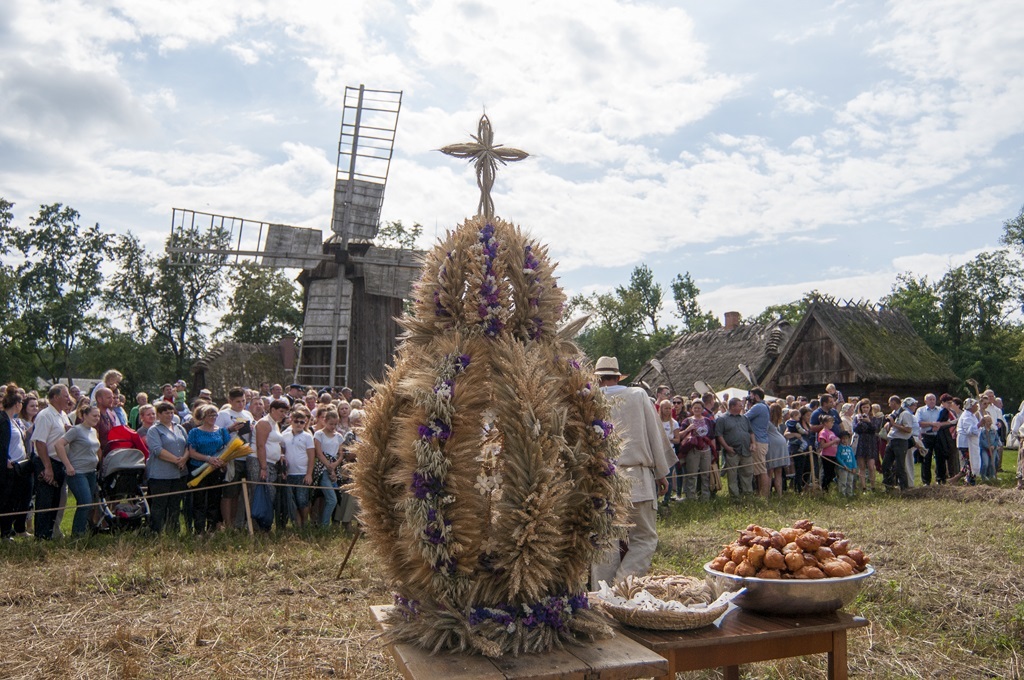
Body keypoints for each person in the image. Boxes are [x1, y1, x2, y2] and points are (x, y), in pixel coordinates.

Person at [590, 356, 674, 586]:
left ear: (597, 379)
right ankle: (621, 587)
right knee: (644, 538)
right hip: (637, 476)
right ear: (618, 377)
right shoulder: (638, 396)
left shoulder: (588, 399)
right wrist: (661, 472)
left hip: (601, 479)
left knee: (605, 540)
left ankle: (602, 594)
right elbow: (654, 434)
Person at [53, 402, 102, 537]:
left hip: (91, 472)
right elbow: (59, 445)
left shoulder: (94, 431)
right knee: (85, 502)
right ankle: (77, 534)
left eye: (98, 416)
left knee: (89, 503)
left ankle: (83, 530)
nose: (97, 418)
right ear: (84, 415)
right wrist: (68, 465)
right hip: (78, 472)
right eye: (94, 415)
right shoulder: (76, 430)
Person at [30, 384, 72, 540]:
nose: (68, 399)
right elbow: (40, 442)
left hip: (59, 463)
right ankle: (41, 536)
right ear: (55, 397)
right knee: (45, 500)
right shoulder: (45, 415)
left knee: (55, 501)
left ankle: (50, 532)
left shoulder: (63, 415)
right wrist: (47, 467)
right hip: (46, 461)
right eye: (65, 396)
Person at [215, 387, 255, 530]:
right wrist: (230, 429)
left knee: (239, 493)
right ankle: (227, 523)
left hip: (246, 456)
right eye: (238, 401)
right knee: (229, 492)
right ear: (230, 401)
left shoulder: (248, 414)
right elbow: (216, 434)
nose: (241, 404)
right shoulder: (223, 414)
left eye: (243, 401)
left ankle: (236, 522)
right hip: (230, 457)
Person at [146, 402, 189, 534]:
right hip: (161, 474)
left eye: (171, 412)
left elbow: (188, 446)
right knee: (159, 505)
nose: (170, 415)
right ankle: (156, 532)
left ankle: (173, 532)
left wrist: (184, 459)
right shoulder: (154, 430)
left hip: (179, 474)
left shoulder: (179, 428)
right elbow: (157, 450)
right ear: (159, 414)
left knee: (175, 505)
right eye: (166, 413)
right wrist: (176, 460)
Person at [186, 404, 229, 533]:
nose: (213, 418)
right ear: (203, 417)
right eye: (210, 415)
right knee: (199, 500)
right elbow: (192, 453)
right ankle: (199, 530)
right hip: (198, 469)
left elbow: (227, 448)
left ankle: (211, 529)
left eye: (215, 415)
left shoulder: (222, 431)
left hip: (216, 470)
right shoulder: (195, 432)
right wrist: (208, 459)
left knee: (214, 500)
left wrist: (222, 461)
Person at [252, 399, 289, 531]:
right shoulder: (264, 423)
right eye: (281, 411)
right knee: (261, 494)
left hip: (272, 463)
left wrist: (280, 455)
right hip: (260, 462)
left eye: (285, 412)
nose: (283, 415)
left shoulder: (275, 424)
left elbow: (274, 443)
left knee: (270, 494)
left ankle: (265, 526)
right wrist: (263, 467)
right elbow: (260, 446)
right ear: (272, 410)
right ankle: (257, 527)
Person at [1, 384, 33, 538]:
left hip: (21, 465)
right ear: (17, 404)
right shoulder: (2, 420)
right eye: (21, 403)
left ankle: (17, 528)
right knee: (8, 500)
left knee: (22, 498)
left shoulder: (15, 421)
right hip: (9, 466)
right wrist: (5, 460)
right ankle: (5, 531)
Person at [282, 407, 315, 527]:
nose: (299, 424)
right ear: (291, 421)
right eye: (296, 421)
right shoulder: (284, 435)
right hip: (289, 473)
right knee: (292, 501)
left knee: (302, 500)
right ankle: (297, 525)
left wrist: (309, 474)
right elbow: (281, 451)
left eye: (302, 422)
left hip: (302, 473)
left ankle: (305, 523)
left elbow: (311, 456)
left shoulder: (308, 436)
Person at [313, 409, 346, 527]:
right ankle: (324, 525)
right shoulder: (319, 434)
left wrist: (335, 465)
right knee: (332, 499)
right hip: (322, 469)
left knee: (333, 498)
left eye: (335, 424)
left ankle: (325, 522)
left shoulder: (339, 436)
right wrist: (329, 466)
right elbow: (319, 453)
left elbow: (341, 454)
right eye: (331, 424)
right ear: (325, 421)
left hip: (334, 468)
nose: (333, 427)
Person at [676, 400, 715, 501]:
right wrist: (688, 429)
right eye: (695, 408)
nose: (697, 410)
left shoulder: (708, 421)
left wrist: (714, 451)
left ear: (702, 409)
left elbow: (712, 436)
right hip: (692, 450)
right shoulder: (687, 421)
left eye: (699, 408)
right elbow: (679, 435)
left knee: (705, 474)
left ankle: (705, 497)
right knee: (692, 474)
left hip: (706, 450)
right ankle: (691, 497)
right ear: (692, 409)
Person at [716, 398, 754, 496]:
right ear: (732, 406)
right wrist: (727, 447)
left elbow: (750, 432)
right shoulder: (722, 419)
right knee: (732, 475)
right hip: (732, 451)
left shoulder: (744, 418)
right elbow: (719, 435)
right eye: (740, 405)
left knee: (747, 473)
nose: (742, 407)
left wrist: (753, 443)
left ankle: (748, 493)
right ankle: (734, 496)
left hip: (746, 450)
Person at [810, 394, 842, 491]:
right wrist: (825, 425)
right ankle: (823, 488)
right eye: (830, 402)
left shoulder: (834, 412)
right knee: (824, 468)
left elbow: (840, 424)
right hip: (825, 446)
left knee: (833, 468)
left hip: (835, 444)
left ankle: (832, 486)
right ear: (824, 403)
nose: (833, 403)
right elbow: (812, 427)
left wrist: (843, 435)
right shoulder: (816, 413)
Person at [882, 396, 914, 491]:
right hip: (892, 440)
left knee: (900, 466)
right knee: (885, 465)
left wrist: (894, 424)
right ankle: (889, 486)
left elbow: (908, 429)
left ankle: (904, 489)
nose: (889, 405)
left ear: (894, 402)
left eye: (890, 403)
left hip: (901, 441)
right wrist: (888, 423)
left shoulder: (905, 414)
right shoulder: (894, 413)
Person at [744, 388, 771, 497]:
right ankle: (761, 493)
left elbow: (744, 418)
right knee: (759, 470)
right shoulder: (765, 406)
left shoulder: (758, 407)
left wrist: (744, 404)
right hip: (762, 440)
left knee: (761, 470)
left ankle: (764, 495)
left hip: (758, 441)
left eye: (751, 395)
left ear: (755, 396)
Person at [851, 399, 879, 492]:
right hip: (861, 443)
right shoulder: (856, 418)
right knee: (861, 466)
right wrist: (860, 422)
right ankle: (863, 487)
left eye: (867, 407)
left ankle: (873, 486)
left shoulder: (874, 418)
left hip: (871, 443)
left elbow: (875, 429)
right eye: (864, 407)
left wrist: (868, 421)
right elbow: (855, 429)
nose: (866, 409)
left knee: (871, 466)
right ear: (860, 408)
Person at [915, 394, 942, 486]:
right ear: (925, 401)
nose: (932, 401)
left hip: (938, 436)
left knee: (939, 458)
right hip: (926, 436)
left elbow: (944, 421)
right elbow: (918, 423)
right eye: (930, 399)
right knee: (926, 459)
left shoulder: (940, 410)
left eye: (933, 399)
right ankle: (926, 481)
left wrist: (938, 426)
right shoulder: (921, 410)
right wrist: (932, 424)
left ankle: (939, 479)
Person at [658, 400, 681, 502]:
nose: (667, 410)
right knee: (657, 475)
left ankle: (666, 500)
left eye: (669, 408)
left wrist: (669, 439)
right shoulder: (657, 422)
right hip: (658, 451)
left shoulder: (674, 423)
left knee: (669, 476)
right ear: (661, 409)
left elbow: (677, 439)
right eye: (665, 408)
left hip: (669, 451)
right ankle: (656, 497)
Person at [765, 401, 790, 496]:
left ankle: (767, 494)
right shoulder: (778, 423)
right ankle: (779, 494)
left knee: (769, 471)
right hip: (781, 443)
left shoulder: (767, 422)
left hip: (772, 444)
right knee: (778, 472)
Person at [934, 394, 960, 483]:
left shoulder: (952, 411)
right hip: (941, 437)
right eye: (948, 403)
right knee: (941, 458)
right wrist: (951, 423)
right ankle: (940, 477)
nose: (950, 404)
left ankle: (952, 476)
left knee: (952, 457)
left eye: (951, 403)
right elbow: (938, 424)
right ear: (943, 402)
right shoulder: (941, 411)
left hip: (951, 436)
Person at [835, 431, 857, 498]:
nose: (845, 440)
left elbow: (853, 458)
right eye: (843, 439)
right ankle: (842, 494)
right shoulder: (839, 448)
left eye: (846, 438)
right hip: (843, 468)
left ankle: (849, 494)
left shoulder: (850, 448)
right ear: (840, 439)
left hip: (850, 468)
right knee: (843, 482)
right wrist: (843, 465)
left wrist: (854, 467)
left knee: (850, 481)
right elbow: (838, 457)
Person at [979, 416, 999, 483]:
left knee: (992, 463)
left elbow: (997, 439)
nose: (989, 423)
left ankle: (992, 476)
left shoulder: (993, 431)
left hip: (993, 449)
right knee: (985, 463)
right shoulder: (982, 431)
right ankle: (983, 476)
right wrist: (988, 447)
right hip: (984, 449)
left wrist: (994, 446)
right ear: (984, 422)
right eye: (987, 421)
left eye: (990, 421)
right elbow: (981, 441)